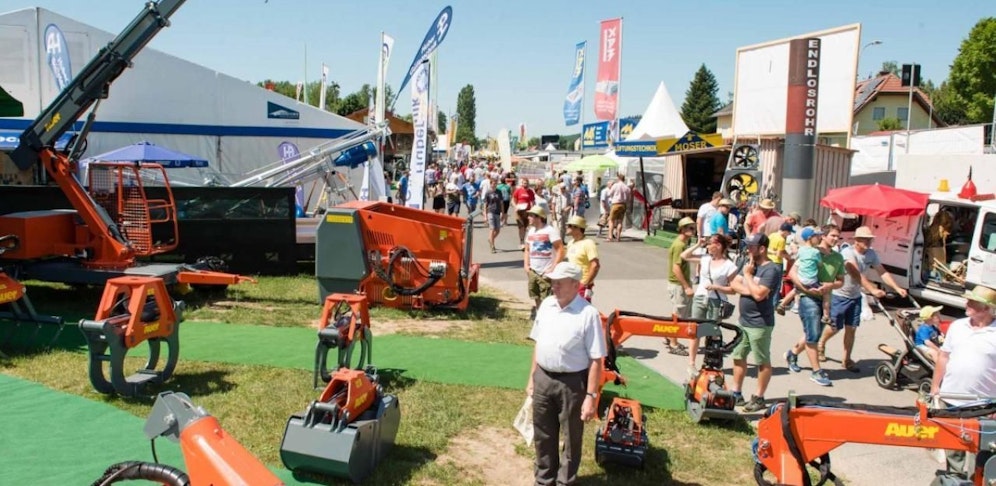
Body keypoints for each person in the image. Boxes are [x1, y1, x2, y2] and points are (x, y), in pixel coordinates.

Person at [525, 261, 605, 486]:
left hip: (572, 383)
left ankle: (565, 482)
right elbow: (538, 343)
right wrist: (532, 378)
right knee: (543, 434)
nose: (554, 286)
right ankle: (544, 480)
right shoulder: (547, 305)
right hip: (543, 378)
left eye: (559, 282)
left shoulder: (588, 314)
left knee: (571, 438)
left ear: (575, 284)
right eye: (553, 282)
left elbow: (596, 359)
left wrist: (590, 397)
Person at [929, 285, 996, 481]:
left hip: (984, 404)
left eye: (972, 302)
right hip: (951, 399)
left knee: (983, 449)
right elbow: (943, 356)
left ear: (986, 308)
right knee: (953, 446)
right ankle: (954, 480)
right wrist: (935, 387)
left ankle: (980, 480)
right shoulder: (958, 326)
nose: (966, 303)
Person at [820, 226, 908, 371]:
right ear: (857, 240)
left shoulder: (871, 254)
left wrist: (897, 287)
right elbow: (856, 274)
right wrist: (872, 289)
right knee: (835, 327)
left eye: (870, 239)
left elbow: (882, 272)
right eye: (865, 240)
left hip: (855, 296)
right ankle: (821, 343)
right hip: (840, 294)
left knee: (852, 328)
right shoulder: (848, 253)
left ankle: (846, 359)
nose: (868, 242)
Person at [784, 225, 845, 386]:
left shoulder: (838, 258)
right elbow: (792, 273)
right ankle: (816, 371)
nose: (835, 239)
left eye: (837, 237)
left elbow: (840, 281)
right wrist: (803, 288)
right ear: (823, 236)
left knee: (813, 333)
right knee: (813, 334)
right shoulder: (810, 252)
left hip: (825, 297)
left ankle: (792, 353)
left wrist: (830, 286)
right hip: (807, 297)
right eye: (832, 236)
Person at [729, 233, 781, 413]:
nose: (747, 249)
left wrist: (749, 278)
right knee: (738, 355)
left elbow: (761, 295)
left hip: (760, 323)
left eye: (751, 246)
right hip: (743, 320)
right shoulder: (748, 263)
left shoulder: (771, 270)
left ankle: (759, 397)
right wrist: (751, 288)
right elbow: (733, 284)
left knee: (762, 361)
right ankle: (736, 393)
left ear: (762, 249)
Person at [681, 233, 738, 371]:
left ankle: (710, 362)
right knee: (695, 330)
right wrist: (698, 244)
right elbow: (684, 256)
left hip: (716, 301)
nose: (707, 246)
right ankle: (691, 363)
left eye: (709, 243)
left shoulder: (729, 266)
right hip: (700, 297)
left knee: (713, 332)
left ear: (718, 246)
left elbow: (733, 289)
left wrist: (717, 287)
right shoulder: (705, 259)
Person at [664, 217, 699, 357]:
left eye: (693, 228)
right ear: (682, 229)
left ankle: (669, 336)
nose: (693, 230)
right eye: (690, 228)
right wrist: (686, 286)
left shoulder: (683, 243)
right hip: (678, 284)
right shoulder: (679, 245)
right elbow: (676, 268)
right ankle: (673, 343)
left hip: (677, 284)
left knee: (676, 313)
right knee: (678, 316)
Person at [524, 206, 564, 317]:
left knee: (547, 296)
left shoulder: (550, 231)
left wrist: (553, 268)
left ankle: (549, 317)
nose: (528, 218)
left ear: (539, 217)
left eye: (531, 215)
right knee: (535, 294)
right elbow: (527, 249)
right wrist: (526, 265)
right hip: (533, 270)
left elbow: (560, 249)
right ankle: (539, 315)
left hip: (545, 271)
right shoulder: (531, 231)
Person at [565, 216, 599, 302]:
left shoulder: (588, 243)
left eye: (569, 226)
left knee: (581, 309)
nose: (567, 227)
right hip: (570, 283)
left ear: (577, 228)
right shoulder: (570, 243)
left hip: (582, 284)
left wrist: (585, 283)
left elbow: (595, 265)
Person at [513, 178, 536, 249]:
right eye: (524, 183)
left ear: (528, 184)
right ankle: (522, 242)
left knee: (527, 227)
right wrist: (515, 206)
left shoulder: (531, 192)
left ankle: (527, 241)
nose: (525, 184)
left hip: (527, 211)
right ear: (522, 184)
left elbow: (532, 202)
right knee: (521, 227)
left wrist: (532, 211)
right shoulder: (518, 190)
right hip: (519, 211)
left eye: (526, 183)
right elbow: (513, 200)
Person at [607, 174, 630, 242]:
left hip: (615, 204)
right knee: (620, 221)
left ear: (618, 178)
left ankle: (610, 236)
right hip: (623, 205)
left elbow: (609, 194)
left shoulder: (616, 185)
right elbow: (629, 198)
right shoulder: (626, 187)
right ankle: (618, 237)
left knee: (611, 220)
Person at [484, 182, 504, 253]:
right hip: (490, 211)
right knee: (492, 228)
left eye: (495, 183)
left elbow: (501, 203)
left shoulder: (499, 192)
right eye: (493, 183)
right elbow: (485, 204)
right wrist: (485, 215)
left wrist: (503, 213)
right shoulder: (488, 192)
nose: (494, 185)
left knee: (498, 230)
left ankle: (490, 239)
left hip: (497, 212)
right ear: (491, 184)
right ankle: (492, 246)